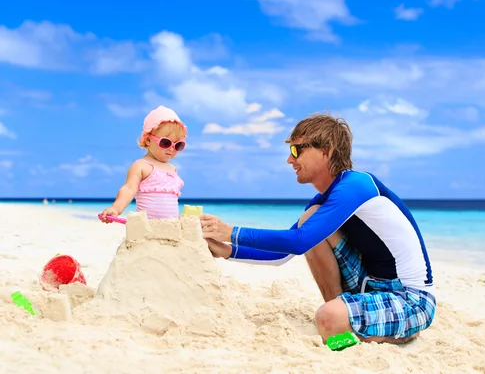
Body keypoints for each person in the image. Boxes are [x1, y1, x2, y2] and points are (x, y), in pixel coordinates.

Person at [200, 113, 436, 345]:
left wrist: (230, 232)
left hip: (410, 298)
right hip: (368, 285)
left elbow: (298, 242)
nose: (289, 160)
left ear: (327, 150)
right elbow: (284, 253)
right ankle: (342, 315)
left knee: (326, 318)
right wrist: (226, 250)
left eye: (296, 150)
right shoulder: (322, 201)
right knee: (308, 220)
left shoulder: (357, 185)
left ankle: (378, 330)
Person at [101, 105, 187, 221]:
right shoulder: (142, 166)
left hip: (170, 228)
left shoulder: (173, 169)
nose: (171, 148)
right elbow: (129, 189)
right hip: (146, 228)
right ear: (148, 140)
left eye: (178, 145)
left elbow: (170, 203)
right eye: (165, 143)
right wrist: (116, 208)